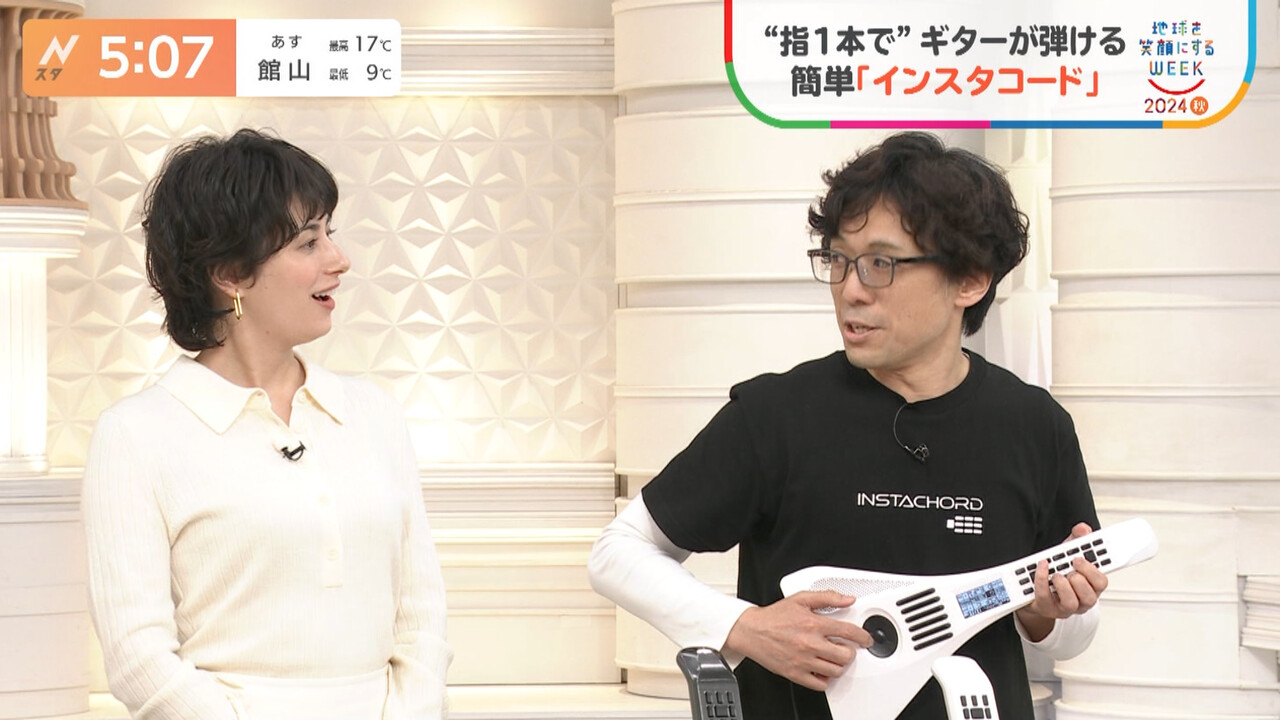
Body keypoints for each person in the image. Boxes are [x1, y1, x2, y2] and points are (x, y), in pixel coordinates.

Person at [588, 131, 1107, 720]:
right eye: (838, 260)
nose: (851, 290)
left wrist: (1048, 613)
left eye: (881, 264)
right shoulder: (776, 414)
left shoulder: (1035, 425)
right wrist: (745, 626)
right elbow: (618, 552)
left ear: (969, 280)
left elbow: (1071, 630)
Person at [81, 129, 451, 720]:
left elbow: (422, 616)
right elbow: (137, 658)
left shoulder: (374, 413)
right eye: (308, 242)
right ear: (230, 272)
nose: (339, 260)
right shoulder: (135, 435)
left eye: (329, 234)